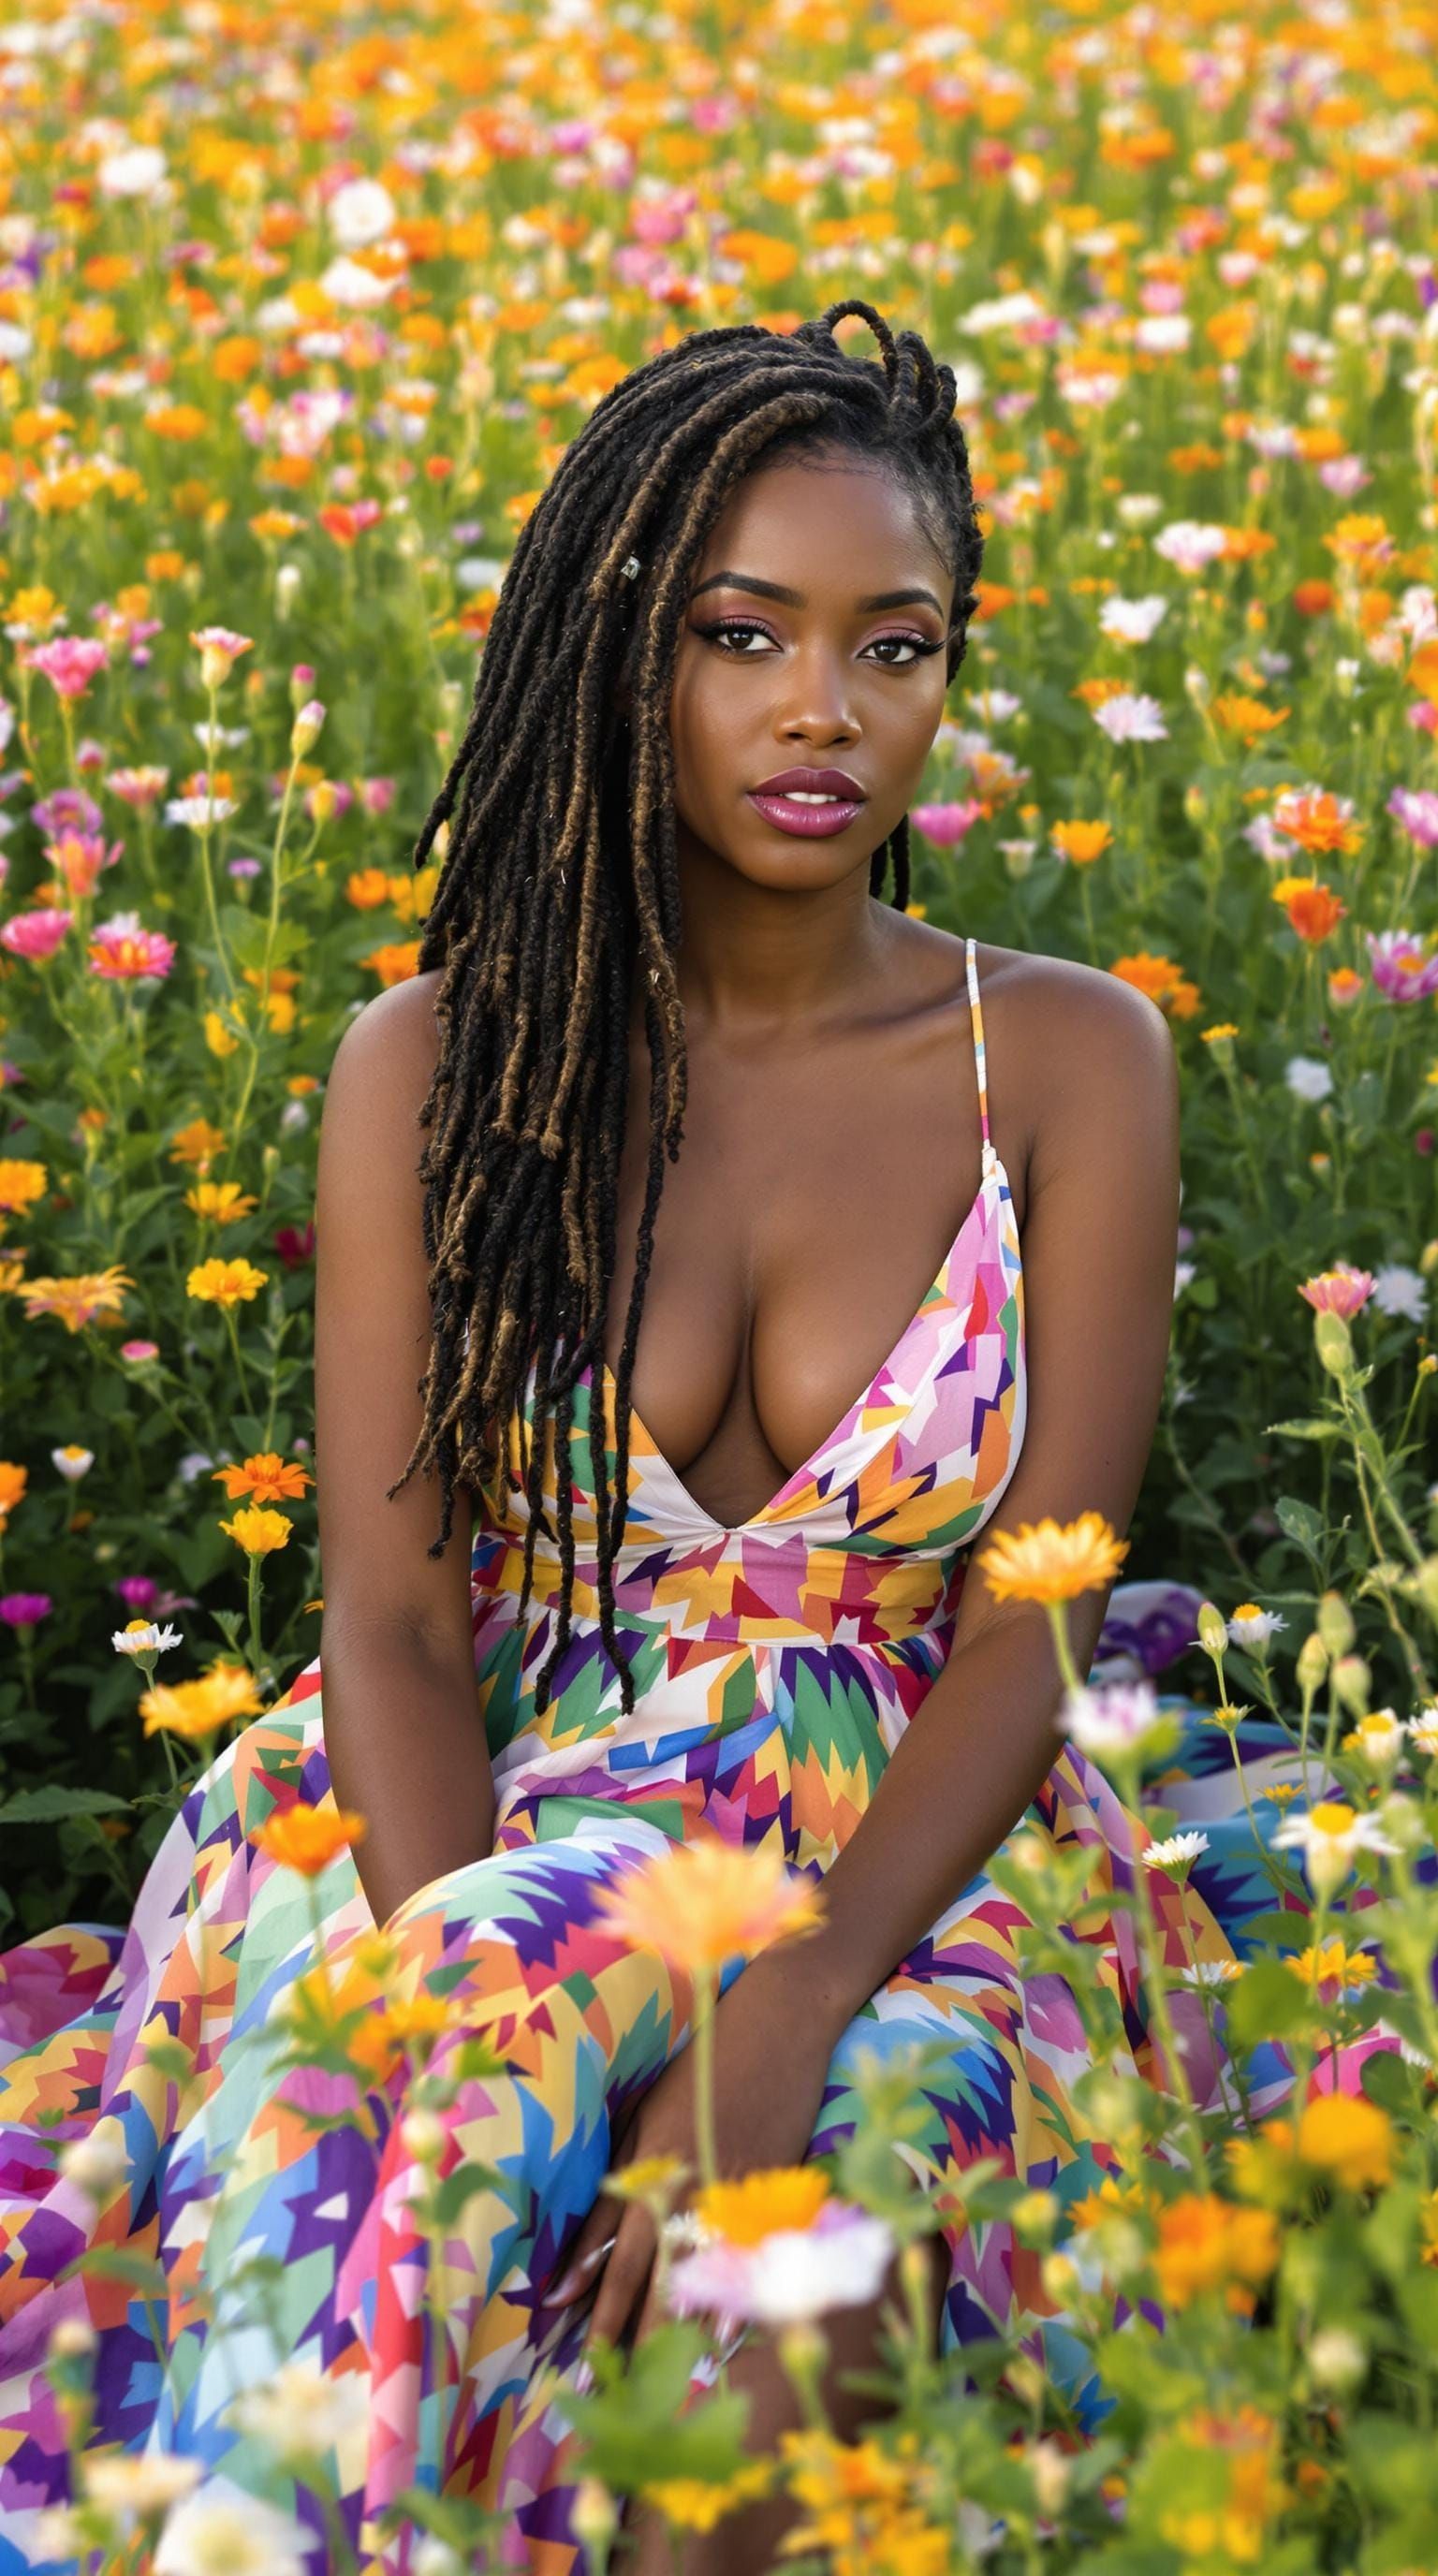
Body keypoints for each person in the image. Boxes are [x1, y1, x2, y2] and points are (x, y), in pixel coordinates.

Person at [0, 301, 1295, 2575]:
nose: (826, 710)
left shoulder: (1071, 1061)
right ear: (624, 653)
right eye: (743, 634)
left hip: (913, 1833)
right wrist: (482, 2012)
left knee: (786, 2312)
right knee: (420, 2212)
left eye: (895, 644)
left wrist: (797, 1991)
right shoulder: (441, 1067)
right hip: (468, 1800)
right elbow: (394, 1619)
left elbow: (1044, 1599)